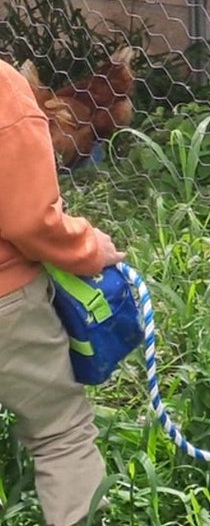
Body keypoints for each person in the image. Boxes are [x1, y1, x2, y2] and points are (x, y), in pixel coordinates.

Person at [0, 60, 125, 526]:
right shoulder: (4, 89)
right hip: (7, 303)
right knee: (61, 433)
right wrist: (88, 246)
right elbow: (30, 220)